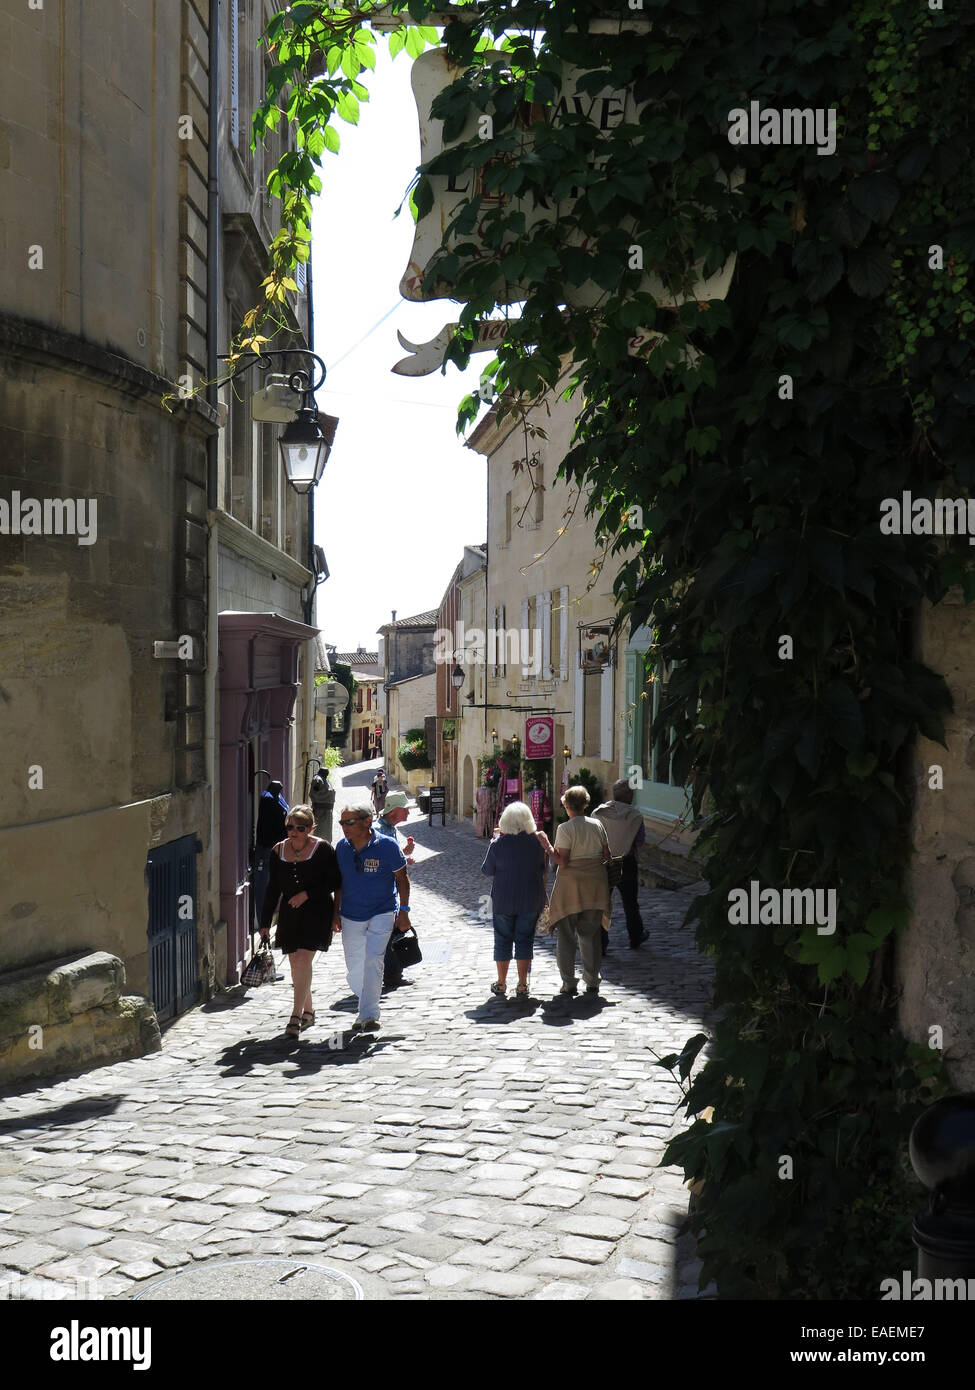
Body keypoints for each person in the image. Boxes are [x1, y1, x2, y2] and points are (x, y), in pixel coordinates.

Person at [259, 804, 342, 1038]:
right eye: (290, 827)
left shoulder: (323, 849)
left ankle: (295, 1016)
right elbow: (272, 889)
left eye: (300, 828)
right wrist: (264, 922)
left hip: (317, 912)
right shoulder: (278, 851)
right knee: (296, 962)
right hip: (290, 914)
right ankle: (308, 1010)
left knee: (304, 958)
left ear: (311, 828)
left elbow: (334, 881)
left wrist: (308, 894)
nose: (294, 831)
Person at [333, 802, 411, 1033]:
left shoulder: (387, 845)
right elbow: (339, 882)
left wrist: (404, 912)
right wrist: (335, 912)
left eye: (350, 822)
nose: (345, 827)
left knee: (374, 960)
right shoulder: (342, 848)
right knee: (355, 965)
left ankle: (368, 1014)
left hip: (382, 911)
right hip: (350, 914)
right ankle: (365, 997)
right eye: (342, 822)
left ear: (367, 821)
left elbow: (402, 878)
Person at [541, 785, 612, 997]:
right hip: (595, 885)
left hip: (571, 886)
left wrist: (546, 845)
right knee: (591, 934)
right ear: (585, 804)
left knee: (566, 935)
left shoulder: (565, 828)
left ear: (566, 805)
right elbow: (607, 855)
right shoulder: (597, 824)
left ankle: (569, 982)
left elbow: (562, 861)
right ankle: (592, 979)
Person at [480, 800, 548, 999]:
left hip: (503, 900)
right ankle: (522, 984)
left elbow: (487, 870)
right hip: (530, 898)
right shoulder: (537, 843)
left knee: (502, 940)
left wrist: (493, 843)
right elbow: (544, 868)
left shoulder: (499, 844)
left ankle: (501, 982)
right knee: (525, 939)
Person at [592, 779, 649, 951]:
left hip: (604, 862)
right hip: (626, 862)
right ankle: (635, 935)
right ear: (629, 795)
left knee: (602, 902)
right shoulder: (635, 816)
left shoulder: (598, 812)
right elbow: (639, 842)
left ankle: (601, 942)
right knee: (630, 902)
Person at [374, 790, 417, 989]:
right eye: (405, 810)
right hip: (382, 891)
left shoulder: (388, 828)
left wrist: (403, 854)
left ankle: (392, 973)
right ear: (394, 811)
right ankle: (391, 974)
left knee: (392, 931)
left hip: (389, 889)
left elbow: (391, 856)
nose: (408, 814)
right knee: (390, 932)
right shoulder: (379, 830)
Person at [252, 778, 289, 924]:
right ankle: (263, 924)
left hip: (279, 848)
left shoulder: (278, 798)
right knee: (264, 888)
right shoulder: (267, 799)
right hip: (267, 848)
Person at [309, 764, 336, 843]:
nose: (327, 773)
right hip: (321, 811)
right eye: (326, 772)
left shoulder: (325, 779)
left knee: (326, 831)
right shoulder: (318, 779)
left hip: (327, 810)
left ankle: (325, 845)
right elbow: (315, 790)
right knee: (321, 830)